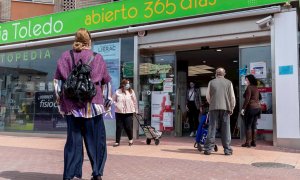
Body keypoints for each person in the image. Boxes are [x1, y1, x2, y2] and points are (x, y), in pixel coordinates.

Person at [53, 28, 112, 180]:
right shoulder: (97, 57)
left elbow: (57, 82)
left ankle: (69, 174)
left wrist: (60, 101)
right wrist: (107, 102)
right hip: (93, 105)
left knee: (73, 142)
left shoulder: (65, 56)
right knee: (97, 141)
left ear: (76, 40)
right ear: (89, 41)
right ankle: (97, 173)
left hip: (71, 107)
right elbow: (106, 82)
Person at [204, 68, 236, 155]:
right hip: (225, 107)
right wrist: (232, 107)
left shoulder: (211, 82)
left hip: (213, 108)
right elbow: (232, 97)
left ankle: (208, 149)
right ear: (224, 74)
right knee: (226, 128)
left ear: (216, 74)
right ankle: (227, 150)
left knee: (212, 127)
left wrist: (213, 102)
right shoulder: (229, 82)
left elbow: (207, 96)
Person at [112, 79, 138, 147]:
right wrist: (116, 104)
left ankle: (130, 139)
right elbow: (113, 99)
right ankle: (117, 142)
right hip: (119, 112)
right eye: (127, 84)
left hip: (129, 112)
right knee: (119, 127)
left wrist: (136, 110)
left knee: (128, 126)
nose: (128, 85)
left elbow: (135, 101)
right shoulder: (117, 91)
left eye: (128, 84)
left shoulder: (131, 91)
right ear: (123, 85)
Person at [241, 74, 262, 148]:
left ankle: (248, 143)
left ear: (250, 80)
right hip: (257, 108)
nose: (245, 81)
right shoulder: (256, 88)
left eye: (246, 80)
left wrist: (243, 109)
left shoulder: (249, 87)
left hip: (251, 108)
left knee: (248, 125)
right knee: (254, 125)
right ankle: (254, 142)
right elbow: (260, 97)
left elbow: (247, 99)